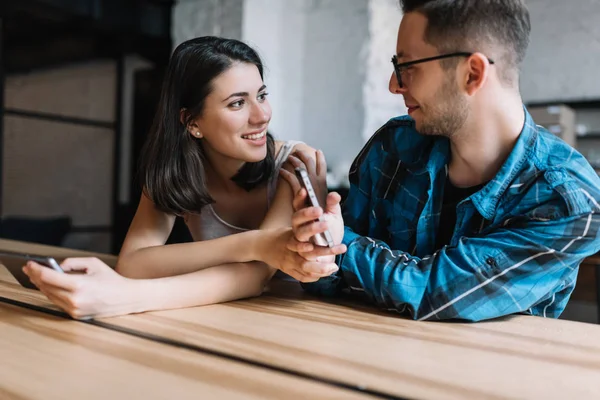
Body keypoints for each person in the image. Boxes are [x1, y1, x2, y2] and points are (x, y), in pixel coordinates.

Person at [278, 0, 600, 321]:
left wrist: (337, 244)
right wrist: (316, 239)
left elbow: (434, 292)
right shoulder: (392, 147)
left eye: (407, 67)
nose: (394, 85)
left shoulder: (569, 200)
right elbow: (323, 275)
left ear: (472, 74)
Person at [23, 36, 344, 319]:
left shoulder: (295, 163)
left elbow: (257, 276)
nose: (262, 115)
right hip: (213, 316)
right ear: (192, 122)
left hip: (293, 319)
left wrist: (123, 297)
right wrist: (256, 243)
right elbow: (133, 263)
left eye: (261, 95)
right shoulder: (175, 171)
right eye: (237, 103)